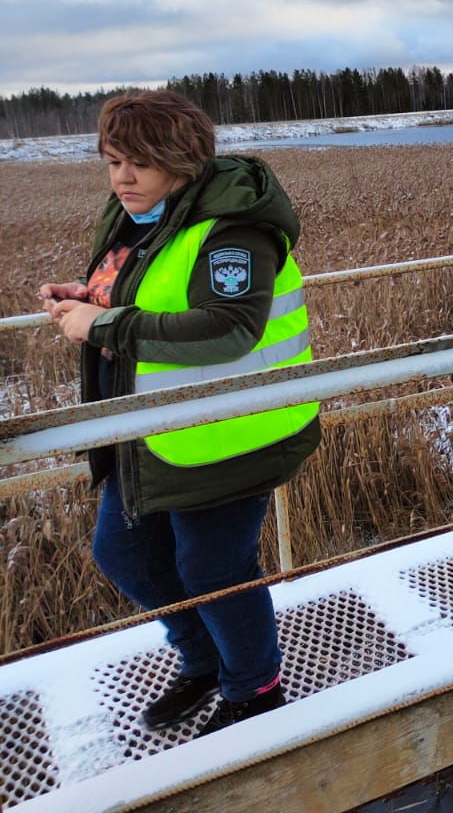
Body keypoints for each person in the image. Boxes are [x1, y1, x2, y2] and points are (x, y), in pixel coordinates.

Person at [37, 90, 320, 735]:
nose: (122, 177)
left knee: (214, 568)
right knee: (124, 555)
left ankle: (255, 690)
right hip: (155, 430)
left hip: (231, 432)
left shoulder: (236, 228)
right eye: (112, 162)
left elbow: (230, 328)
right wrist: (91, 295)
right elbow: (149, 291)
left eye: (139, 161)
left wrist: (104, 321)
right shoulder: (144, 217)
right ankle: (204, 661)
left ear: (182, 159)